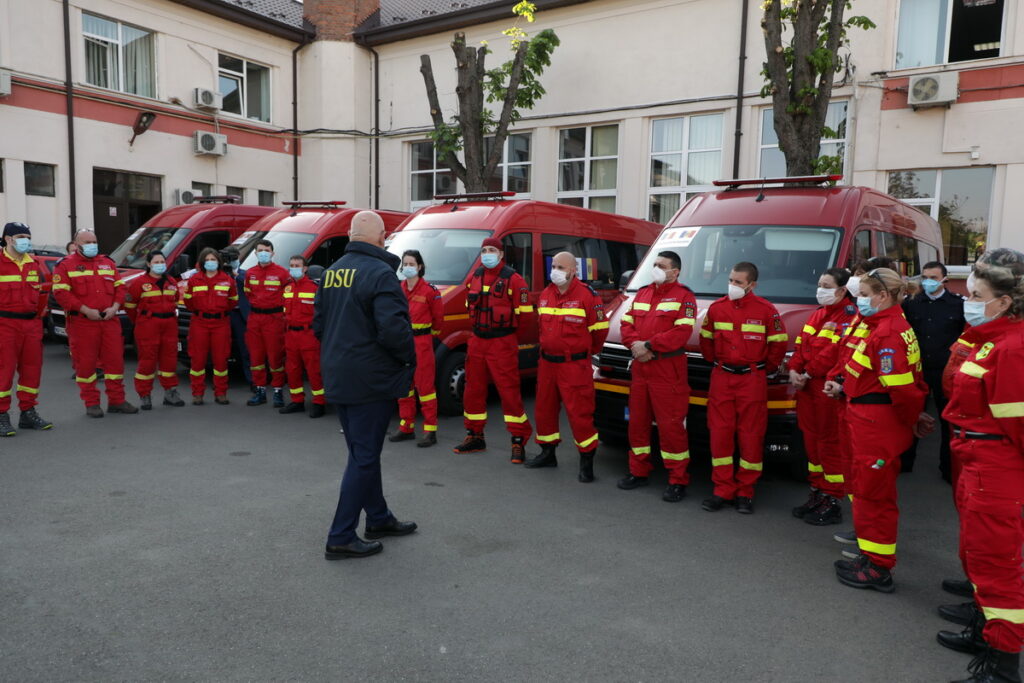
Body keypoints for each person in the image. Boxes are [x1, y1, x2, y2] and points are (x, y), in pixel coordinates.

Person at [936, 259, 1024, 683]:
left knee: (997, 565)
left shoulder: (1012, 348)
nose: (969, 303)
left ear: (1004, 302)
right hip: (977, 458)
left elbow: (1018, 425)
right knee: (977, 555)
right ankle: (986, 632)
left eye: (977, 297)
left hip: (996, 467)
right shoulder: (991, 340)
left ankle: (1003, 665)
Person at [315, 211, 418, 560]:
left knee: (363, 452)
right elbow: (394, 331)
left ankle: (378, 518)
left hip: (339, 374)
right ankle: (341, 535)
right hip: (370, 379)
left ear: (349, 235)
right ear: (382, 237)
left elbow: (319, 325)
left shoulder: (330, 274)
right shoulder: (380, 274)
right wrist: (407, 360)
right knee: (363, 456)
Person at [825, 268, 928, 592]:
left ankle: (879, 568)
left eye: (866, 294)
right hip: (868, 418)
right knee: (868, 493)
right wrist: (842, 385)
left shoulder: (886, 333)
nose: (860, 300)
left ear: (883, 296)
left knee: (876, 497)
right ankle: (870, 556)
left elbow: (904, 391)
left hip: (877, 423)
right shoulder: (881, 326)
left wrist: (912, 420)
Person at [699, 261, 787, 514]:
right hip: (722, 378)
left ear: (752, 284)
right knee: (720, 434)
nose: (732, 285)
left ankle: (745, 492)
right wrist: (719, 362)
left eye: (738, 282)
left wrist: (762, 368)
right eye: (730, 280)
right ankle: (722, 490)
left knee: (751, 436)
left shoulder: (767, 311)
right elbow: (706, 342)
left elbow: (778, 346)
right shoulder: (717, 309)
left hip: (752, 379)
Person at [615, 251, 696, 499]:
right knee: (637, 424)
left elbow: (681, 333)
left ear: (675, 271)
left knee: (671, 427)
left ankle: (677, 479)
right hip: (641, 369)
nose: (656, 268)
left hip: (667, 371)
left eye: (661, 265)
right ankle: (638, 471)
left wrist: (648, 345)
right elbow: (625, 324)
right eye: (655, 264)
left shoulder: (685, 297)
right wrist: (636, 347)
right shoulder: (643, 293)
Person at [525, 251, 610, 482]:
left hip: (574, 365)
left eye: (561, 267)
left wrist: (582, 354)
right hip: (547, 364)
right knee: (544, 410)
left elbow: (599, 333)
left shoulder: (587, 296)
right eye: (553, 266)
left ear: (573, 270)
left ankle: (586, 461)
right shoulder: (545, 294)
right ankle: (548, 453)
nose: (555, 270)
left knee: (579, 414)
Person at [454, 237, 534, 463]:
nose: (487, 254)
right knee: (473, 390)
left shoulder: (515, 280)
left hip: (502, 342)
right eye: (484, 250)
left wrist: (509, 338)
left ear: (500, 254)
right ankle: (475, 435)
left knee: (509, 393)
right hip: (478, 340)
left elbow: (526, 318)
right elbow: (470, 307)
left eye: (491, 250)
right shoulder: (475, 277)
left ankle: (519, 440)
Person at [789, 267, 858, 525]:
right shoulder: (817, 314)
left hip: (827, 388)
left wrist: (806, 372)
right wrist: (795, 369)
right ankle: (817, 491)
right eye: (819, 284)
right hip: (808, 389)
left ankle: (833, 499)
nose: (821, 289)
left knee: (830, 444)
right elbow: (800, 345)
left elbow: (833, 352)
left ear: (841, 290)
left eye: (826, 285)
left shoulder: (850, 317)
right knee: (812, 442)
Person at [52, 230, 137, 417]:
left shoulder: (107, 262)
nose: (92, 244)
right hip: (83, 323)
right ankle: (91, 403)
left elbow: (120, 288)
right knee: (86, 365)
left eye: (94, 241)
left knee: (115, 363)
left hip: (109, 321)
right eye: (88, 241)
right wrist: (85, 310)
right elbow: (61, 293)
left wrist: (115, 307)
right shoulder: (65, 265)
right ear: (77, 243)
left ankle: (117, 400)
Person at [903, 260, 966, 481]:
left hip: (944, 371)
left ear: (944, 279)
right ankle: (905, 462)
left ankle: (948, 469)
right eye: (925, 277)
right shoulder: (911, 303)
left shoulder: (958, 305)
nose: (928, 282)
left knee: (947, 419)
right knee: (910, 415)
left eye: (933, 278)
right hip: (917, 371)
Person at [0, 222, 52, 436]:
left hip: (31, 324)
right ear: (8, 239)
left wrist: (36, 319)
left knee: (32, 369)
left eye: (28, 236)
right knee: (4, 371)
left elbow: (41, 297)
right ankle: (2, 415)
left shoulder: (33, 264)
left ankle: (27, 412)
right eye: (21, 236)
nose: (26, 240)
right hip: (5, 325)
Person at [388, 249, 443, 447]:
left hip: (421, 343)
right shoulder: (397, 288)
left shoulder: (429, 291)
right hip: (403, 343)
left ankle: (430, 431)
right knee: (404, 387)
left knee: (425, 388)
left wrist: (428, 338)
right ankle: (406, 427)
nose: (408, 267)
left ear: (420, 267)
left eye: (412, 264)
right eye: (405, 264)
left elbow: (438, 321)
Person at [123, 251, 185, 410]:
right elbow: (130, 306)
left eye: (162, 261)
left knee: (170, 360)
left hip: (169, 325)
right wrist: (142, 321)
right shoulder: (139, 283)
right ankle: (145, 394)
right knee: (147, 361)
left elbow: (175, 301)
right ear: (149, 264)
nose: (160, 265)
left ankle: (170, 392)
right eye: (156, 262)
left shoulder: (171, 281)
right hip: (148, 325)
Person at [183, 248, 238, 405]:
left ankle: (221, 393)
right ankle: (197, 393)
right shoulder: (194, 280)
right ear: (202, 262)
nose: (210, 262)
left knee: (221, 359)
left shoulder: (227, 280)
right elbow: (188, 302)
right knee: (197, 360)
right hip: (199, 323)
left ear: (218, 262)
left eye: (213, 260)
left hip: (220, 323)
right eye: (207, 260)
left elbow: (232, 301)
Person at [244, 239, 289, 408]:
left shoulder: (282, 273)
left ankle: (278, 391)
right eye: (260, 250)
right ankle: (260, 391)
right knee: (256, 357)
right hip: (255, 319)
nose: (263, 253)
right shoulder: (250, 273)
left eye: (266, 250)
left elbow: (288, 296)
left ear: (272, 253)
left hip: (274, 319)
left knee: (275, 357)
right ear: (255, 253)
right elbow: (248, 294)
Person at [280, 255, 325, 418]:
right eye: (291, 265)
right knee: (292, 370)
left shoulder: (314, 288)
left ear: (305, 268)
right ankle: (297, 401)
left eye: (297, 265)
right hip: (291, 334)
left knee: (314, 371)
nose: (294, 268)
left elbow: (322, 313)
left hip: (309, 334)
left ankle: (319, 402)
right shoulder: (287, 288)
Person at [222, 247, 253, 390]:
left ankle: (252, 380)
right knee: (222, 348)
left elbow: (250, 286)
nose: (232, 262)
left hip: (241, 315)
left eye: (234, 259)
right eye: (229, 259)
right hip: (225, 314)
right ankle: (221, 381)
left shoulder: (244, 274)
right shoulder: (219, 275)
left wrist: (235, 275)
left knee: (246, 348)